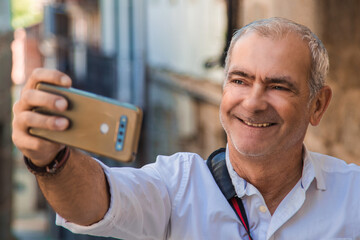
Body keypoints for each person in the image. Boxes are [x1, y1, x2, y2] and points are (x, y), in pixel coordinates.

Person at [12, 17, 360, 240]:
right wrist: (51, 161)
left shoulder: (353, 197)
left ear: (317, 105)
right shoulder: (176, 186)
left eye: (279, 86)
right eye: (240, 80)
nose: (253, 102)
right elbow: (95, 203)